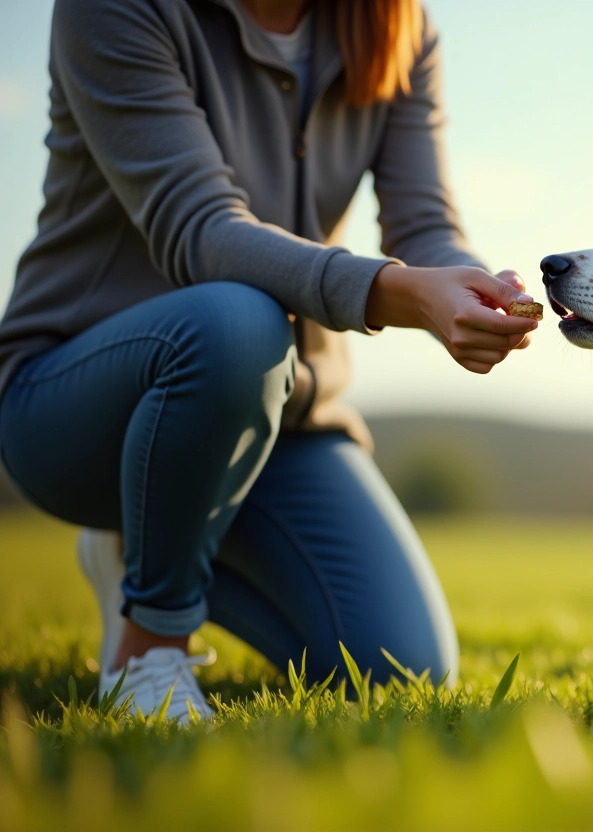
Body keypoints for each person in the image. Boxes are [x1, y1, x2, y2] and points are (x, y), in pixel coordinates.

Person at [0, 0, 537, 719]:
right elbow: (201, 230)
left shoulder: (398, 25)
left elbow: (424, 223)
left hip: (281, 413)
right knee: (237, 322)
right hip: (77, 403)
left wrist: (471, 288)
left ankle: (148, 543)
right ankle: (149, 644)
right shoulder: (113, 9)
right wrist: (399, 293)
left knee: (399, 672)